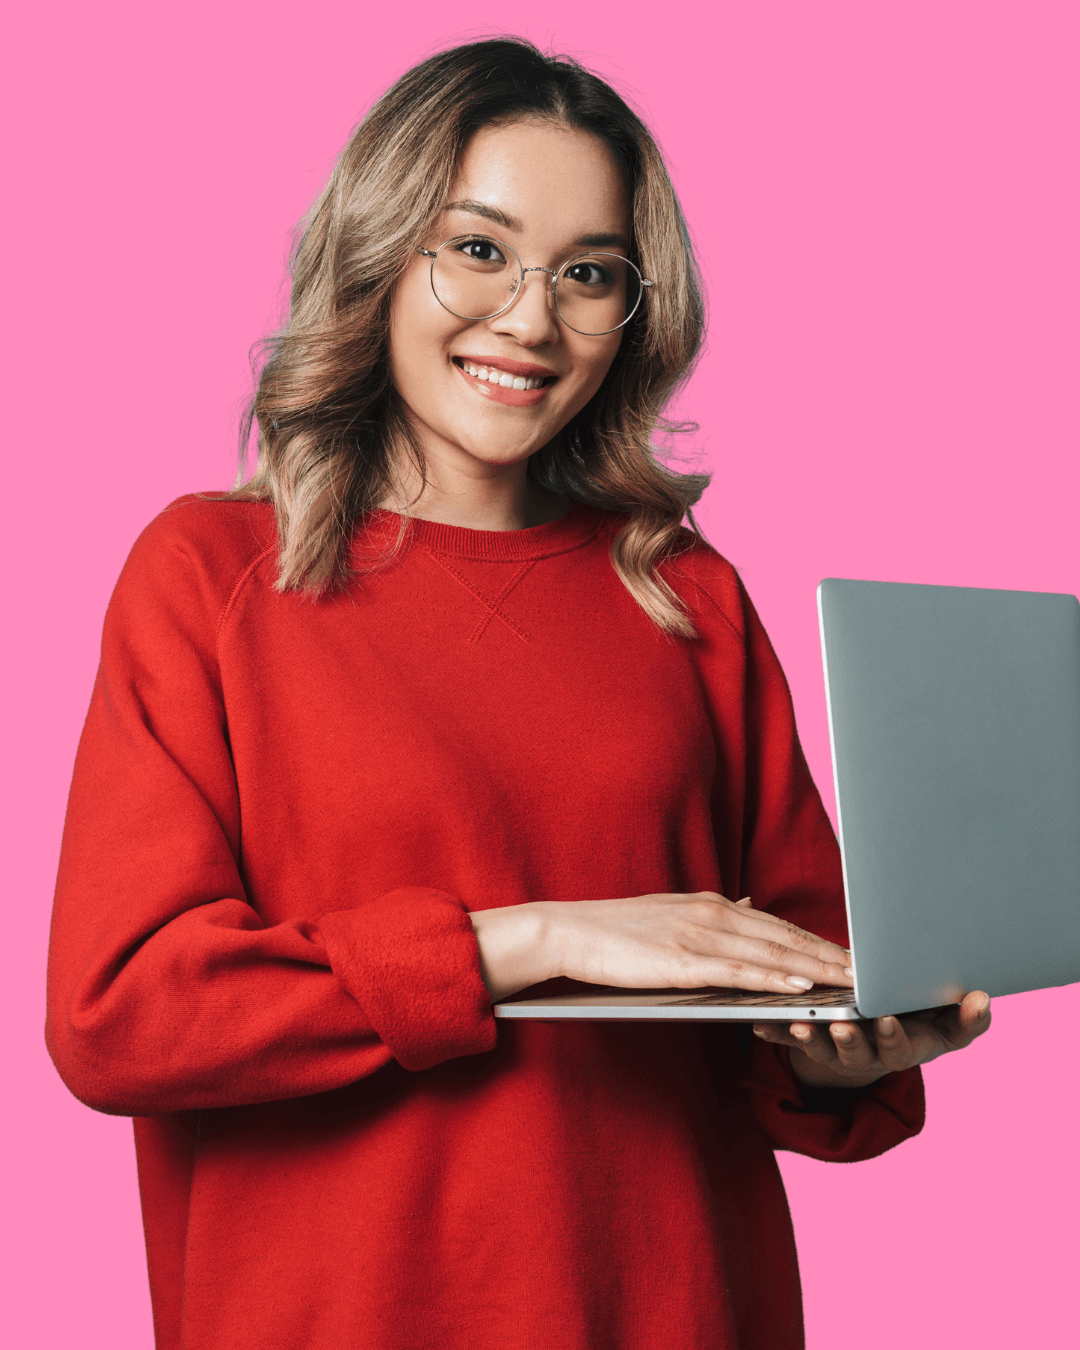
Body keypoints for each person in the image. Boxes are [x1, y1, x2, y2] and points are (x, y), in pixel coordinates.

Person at [46, 37, 991, 1350]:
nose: (533, 321)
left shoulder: (687, 596)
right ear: (380, 253)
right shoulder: (208, 575)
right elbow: (124, 1013)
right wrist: (536, 938)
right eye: (478, 249)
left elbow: (787, 975)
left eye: (588, 273)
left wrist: (843, 1046)